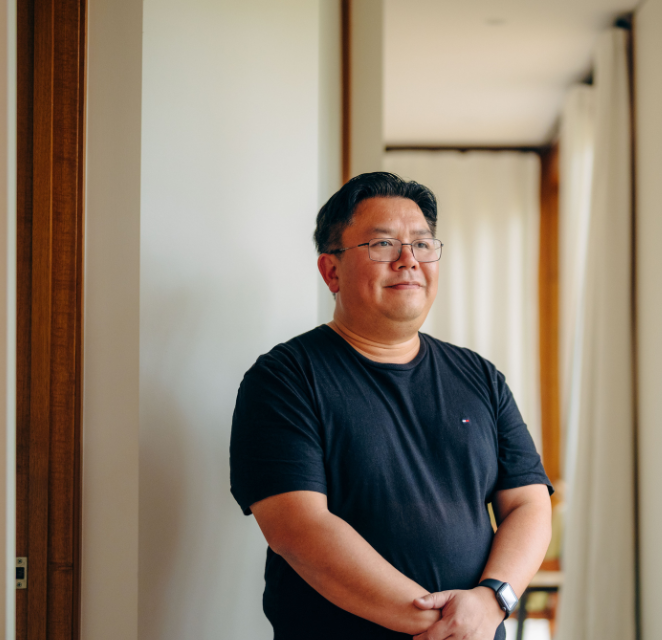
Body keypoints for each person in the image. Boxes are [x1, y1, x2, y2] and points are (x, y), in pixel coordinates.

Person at [229, 172, 553, 640]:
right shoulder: (284, 378)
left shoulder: (479, 376)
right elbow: (300, 531)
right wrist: (447, 627)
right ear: (331, 270)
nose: (409, 260)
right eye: (383, 245)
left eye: (423, 244)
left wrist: (491, 601)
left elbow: (528, 502)